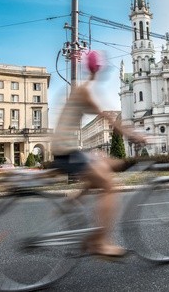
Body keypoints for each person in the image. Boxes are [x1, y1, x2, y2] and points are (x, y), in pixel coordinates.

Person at [49, 50, 146, 258]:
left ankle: (75, 199)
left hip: (66, 149)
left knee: (106, 164)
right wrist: (135, 135)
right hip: (66, 151)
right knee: (110, 187)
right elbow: (110, 120)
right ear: (98, 69)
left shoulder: (83, 89)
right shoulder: (86, 90)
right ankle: (101, 243)